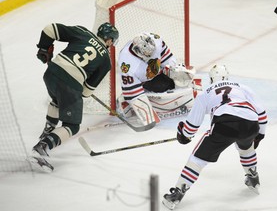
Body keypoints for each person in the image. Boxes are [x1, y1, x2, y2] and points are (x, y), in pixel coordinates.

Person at [162, 65, 268, 210]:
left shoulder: (206, 92)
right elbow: (261, 113)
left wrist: (184, 135)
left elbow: (192, 126)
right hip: (250, 122)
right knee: (246, 147)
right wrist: (260, 134)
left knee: (197, 159)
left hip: (225, 124)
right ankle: (253, 178)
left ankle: (177, 193)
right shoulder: (242, 87)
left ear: (211, 79)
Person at [30, 22, 119, 172]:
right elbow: (86, 92)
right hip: (69, 84)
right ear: (109, 40)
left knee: (58, 100)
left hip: (51, 73)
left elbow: (49, 29)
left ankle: (48, 131)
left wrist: (44, 48)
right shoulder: (105, 61)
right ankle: (42, 147)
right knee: (72, 125)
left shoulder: (82, 32)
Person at [117, 32, 202, 127]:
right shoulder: (127, 64)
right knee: (162, 86)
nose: (151, 55)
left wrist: (171, 69)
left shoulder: (155, 40)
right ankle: (125, 102)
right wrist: (148, 117)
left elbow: (168, 57)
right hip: (144, 81)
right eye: (147, 54)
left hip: (157, 72)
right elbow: (134, 94)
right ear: (138, 51)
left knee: (180, 75)